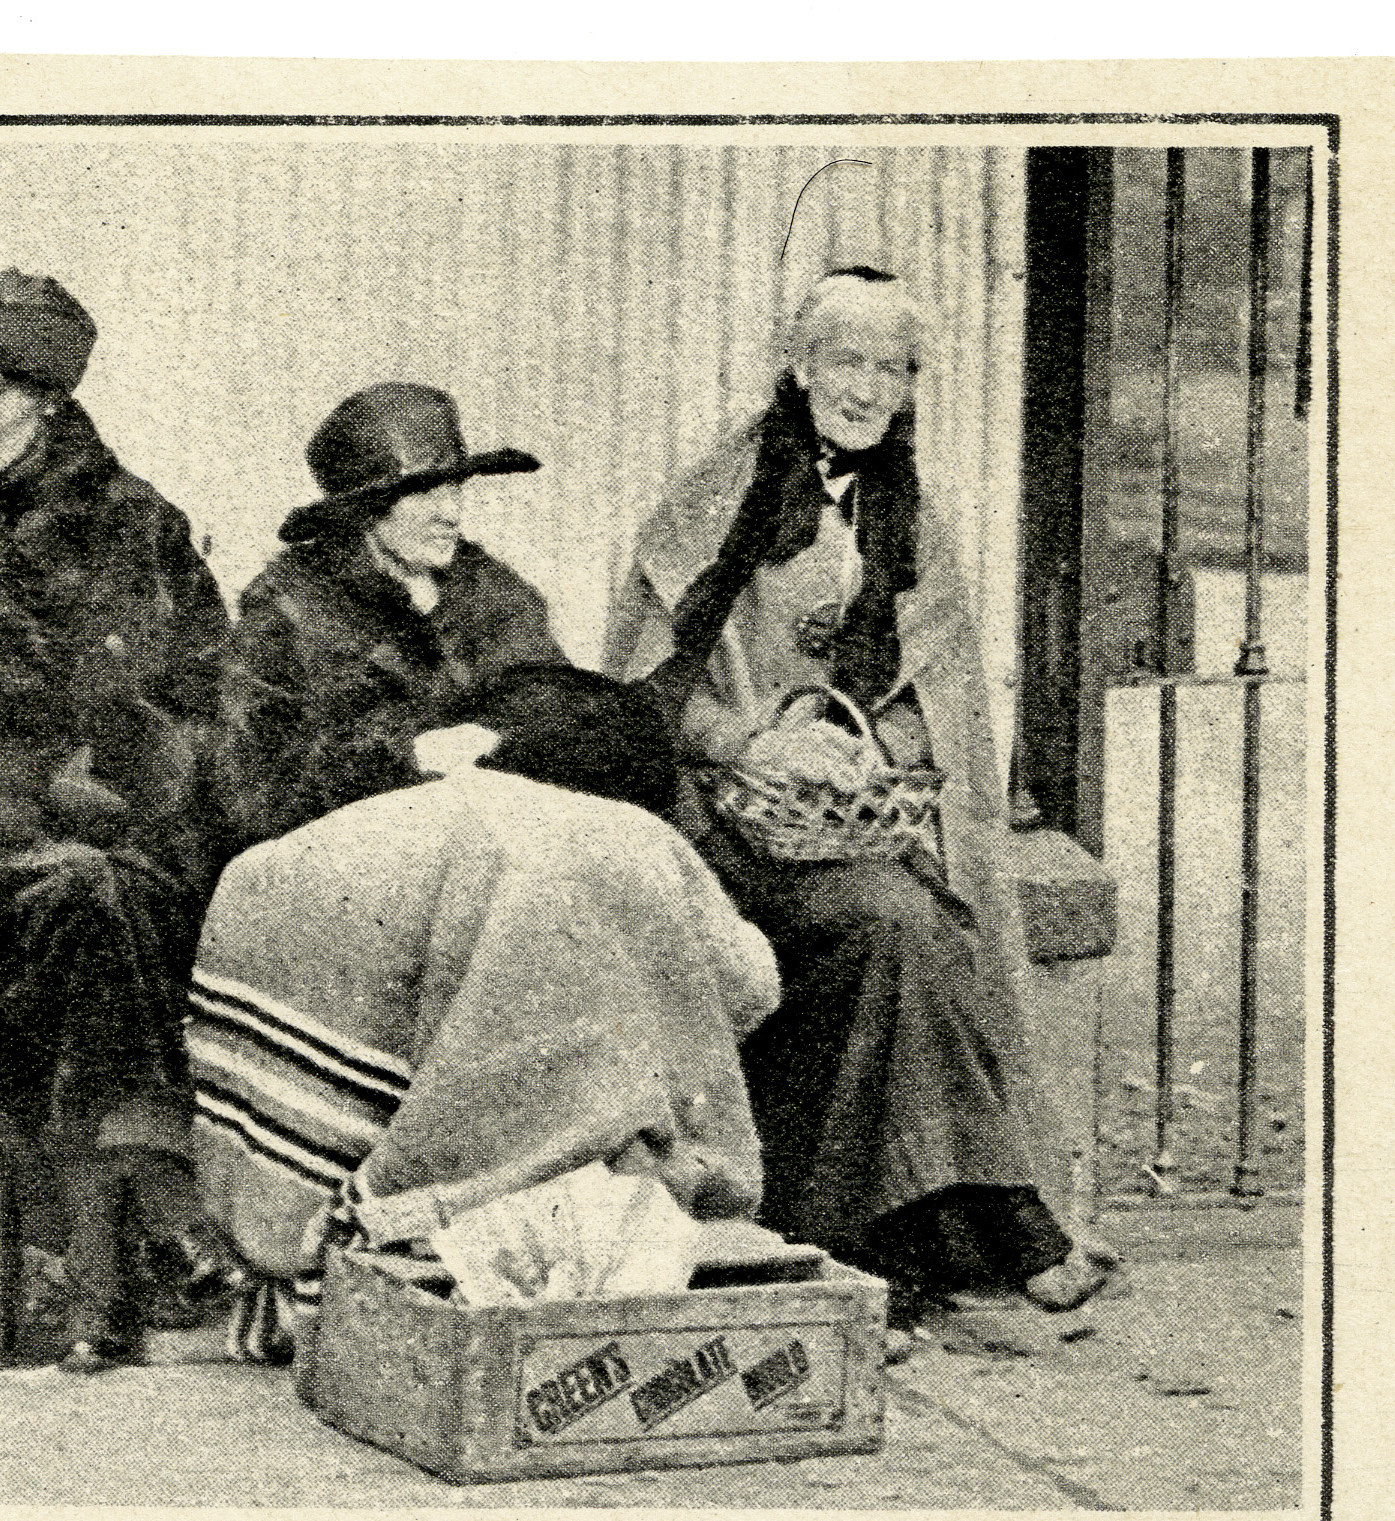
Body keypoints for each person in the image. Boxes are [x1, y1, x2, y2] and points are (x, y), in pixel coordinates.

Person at [602, 267, 1112, 1340]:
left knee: (915, 923)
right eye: (847, 360)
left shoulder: (908, 513)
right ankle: (984, 1225)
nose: (868, 387)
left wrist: (873, 742)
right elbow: (653, 689)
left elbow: (943, 691)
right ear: (799, 367)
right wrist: (762, 740)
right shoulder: (714, 495)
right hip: (720, 828)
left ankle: (881, 1241)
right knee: (893, 925)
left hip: (846, 824)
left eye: (892, 366)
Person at [0, 270, 240, 1373]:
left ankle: (97, 1287)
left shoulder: (139, 523)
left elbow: (206, 699)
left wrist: (126, 778)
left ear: (50, 397)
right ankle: (151, 1205)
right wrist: (24, 785)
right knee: (86, 900)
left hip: (120, 842)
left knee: (103, 898)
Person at [193, 664, 779, 1360]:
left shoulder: (366, 825)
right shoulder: (611, 835)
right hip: (395, 1224)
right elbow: (747, 985)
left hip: (276, 1199)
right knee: (614, 1103)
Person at [218, 382, 563, 848]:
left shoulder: (497, 593)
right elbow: (254, 795)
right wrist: (407, 755)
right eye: (423, 495)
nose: (451, 514)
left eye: (456, 488)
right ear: (364, 510)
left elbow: (556, 711)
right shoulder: (286, 610)